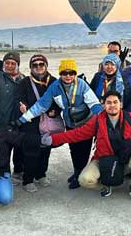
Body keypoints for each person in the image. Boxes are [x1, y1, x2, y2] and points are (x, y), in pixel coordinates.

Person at [42, 91, 131, 202]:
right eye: (108, 102)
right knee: (84, 179)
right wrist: (53, 139)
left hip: (125, 159)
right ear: (103, 105)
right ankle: (106, 184)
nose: (112, 105)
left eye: (115, 102)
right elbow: (77, 134)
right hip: (104, 160)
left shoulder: (130, 118)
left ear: (121, 104)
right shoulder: (97, 121)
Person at [18, 59, 102, 189]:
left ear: (75, 74)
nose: (68, 76)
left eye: (71, 73)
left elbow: (94, 104)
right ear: (60, 73)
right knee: (73, 150)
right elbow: (41, 105)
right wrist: (23, 118)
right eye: (64, 73)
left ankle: (80, 175)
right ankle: (76, 172)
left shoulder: (82, 85)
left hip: (85, 122)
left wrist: (103, 118)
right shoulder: (55, 86)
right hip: (70, 123)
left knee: (84, 150)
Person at [18, 54, 61, 192]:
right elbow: (19, 98)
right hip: (31, 122)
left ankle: (41, 174)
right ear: (31, 67)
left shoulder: (54, 81)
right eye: (35, 65)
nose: (38, 67)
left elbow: (60, 100)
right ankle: (28, 179)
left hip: (48, 120)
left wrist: (55, 110)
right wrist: (22, 106)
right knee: (31, 151)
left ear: (46, 66)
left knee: (46, 149)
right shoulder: (24, 82)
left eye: (41, 64)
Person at [0, 52, 26, 183]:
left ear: (18, 65)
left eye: (13, 63)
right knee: (4, 151)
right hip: (2, 122)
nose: (9, 66)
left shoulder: (24, 79)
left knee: (20, 149)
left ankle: (19, 172)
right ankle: (5, 174)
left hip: (20, 122)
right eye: (7, 63)